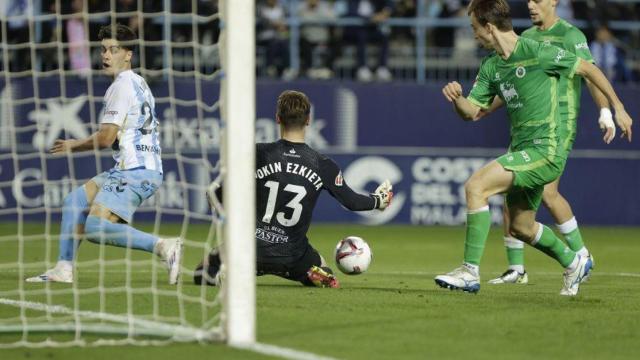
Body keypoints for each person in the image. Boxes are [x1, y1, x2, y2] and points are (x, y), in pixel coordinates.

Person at [435, 0, 633, 296]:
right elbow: (472, 112)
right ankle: (574, 261)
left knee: (476, 186)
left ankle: (469, 271)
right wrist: (457, 99)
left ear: (489, 28)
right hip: (523, 148)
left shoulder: (538, 51)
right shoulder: (491, 66)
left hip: (547, 149)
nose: (473, 35)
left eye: (475, 28)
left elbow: (589, 70)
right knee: (521, 227)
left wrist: (616, 108)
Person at [26, 24, 183, 285]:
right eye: (103, 50)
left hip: (136, 170)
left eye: (114, 50)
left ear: (128, 54)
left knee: (95, 228)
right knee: (74, 202)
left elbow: (106, 138)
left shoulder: (120, 87)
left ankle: (164, 246)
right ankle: (64, 268)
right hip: (135, 167)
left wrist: (73, 145)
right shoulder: (139, 82)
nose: (106, 55)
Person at [484, 0, 625, 285]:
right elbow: (514, 81)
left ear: (554, 2)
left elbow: (590, 75)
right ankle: (516, 268)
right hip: (529, 124)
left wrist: (606, 111)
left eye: (537, 0)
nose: (531, 6)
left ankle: (581, 256)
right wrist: (484, 107)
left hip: (559, 125)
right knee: (511, 192)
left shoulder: (571, 36)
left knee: (548, 194)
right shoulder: (527, 38)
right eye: (528, 1)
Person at [194, 90, 393, 288]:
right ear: (308, 120)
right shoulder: (322, 164)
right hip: (294, 256)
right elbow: (352, 202)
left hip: (250, 249)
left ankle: (229, 270)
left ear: (277, 118)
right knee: (324, 270)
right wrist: (379, 200)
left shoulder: (257, 153)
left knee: (201, 272)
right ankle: (314, 272)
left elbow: (218, 196)